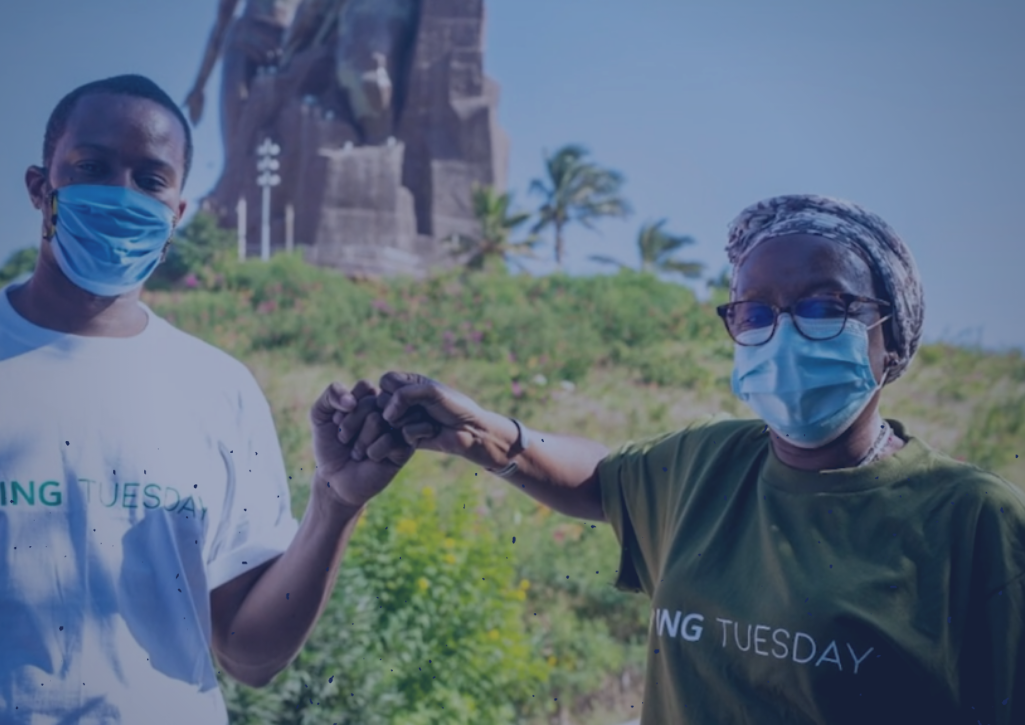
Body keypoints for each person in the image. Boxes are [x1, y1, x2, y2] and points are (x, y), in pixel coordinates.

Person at [359, 195, 1025, 724]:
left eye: (825, 305)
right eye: (754, 311)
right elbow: (601, 479)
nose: (783, 331)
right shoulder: (709, 464)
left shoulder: (969, 519)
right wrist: (482, 435)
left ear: (894, 337)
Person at [0, 74, 417, 724]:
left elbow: (250, 656)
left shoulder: (218, 388)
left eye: (151, 178)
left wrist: (335, 506)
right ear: (39, 185)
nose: (121, 192)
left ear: (178, 212)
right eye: (92, 166)